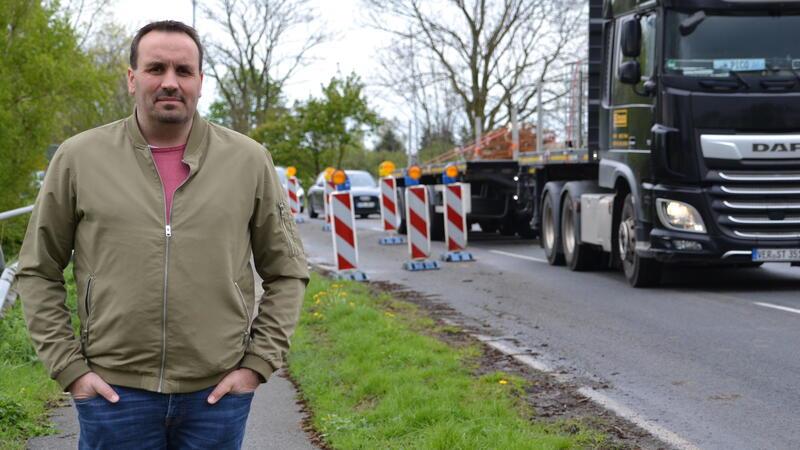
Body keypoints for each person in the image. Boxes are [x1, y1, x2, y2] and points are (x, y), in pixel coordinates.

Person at [16, 20, 308, 449]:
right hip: (114, 396)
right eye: (156, 69)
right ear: (132, 78)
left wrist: (257, 364)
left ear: (201, 82)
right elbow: (37, 270)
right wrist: (70, 369)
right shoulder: (79, 158)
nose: (170, 82)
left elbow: (287, 271)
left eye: (183, 71)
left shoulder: (248, 160)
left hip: (217, 397)